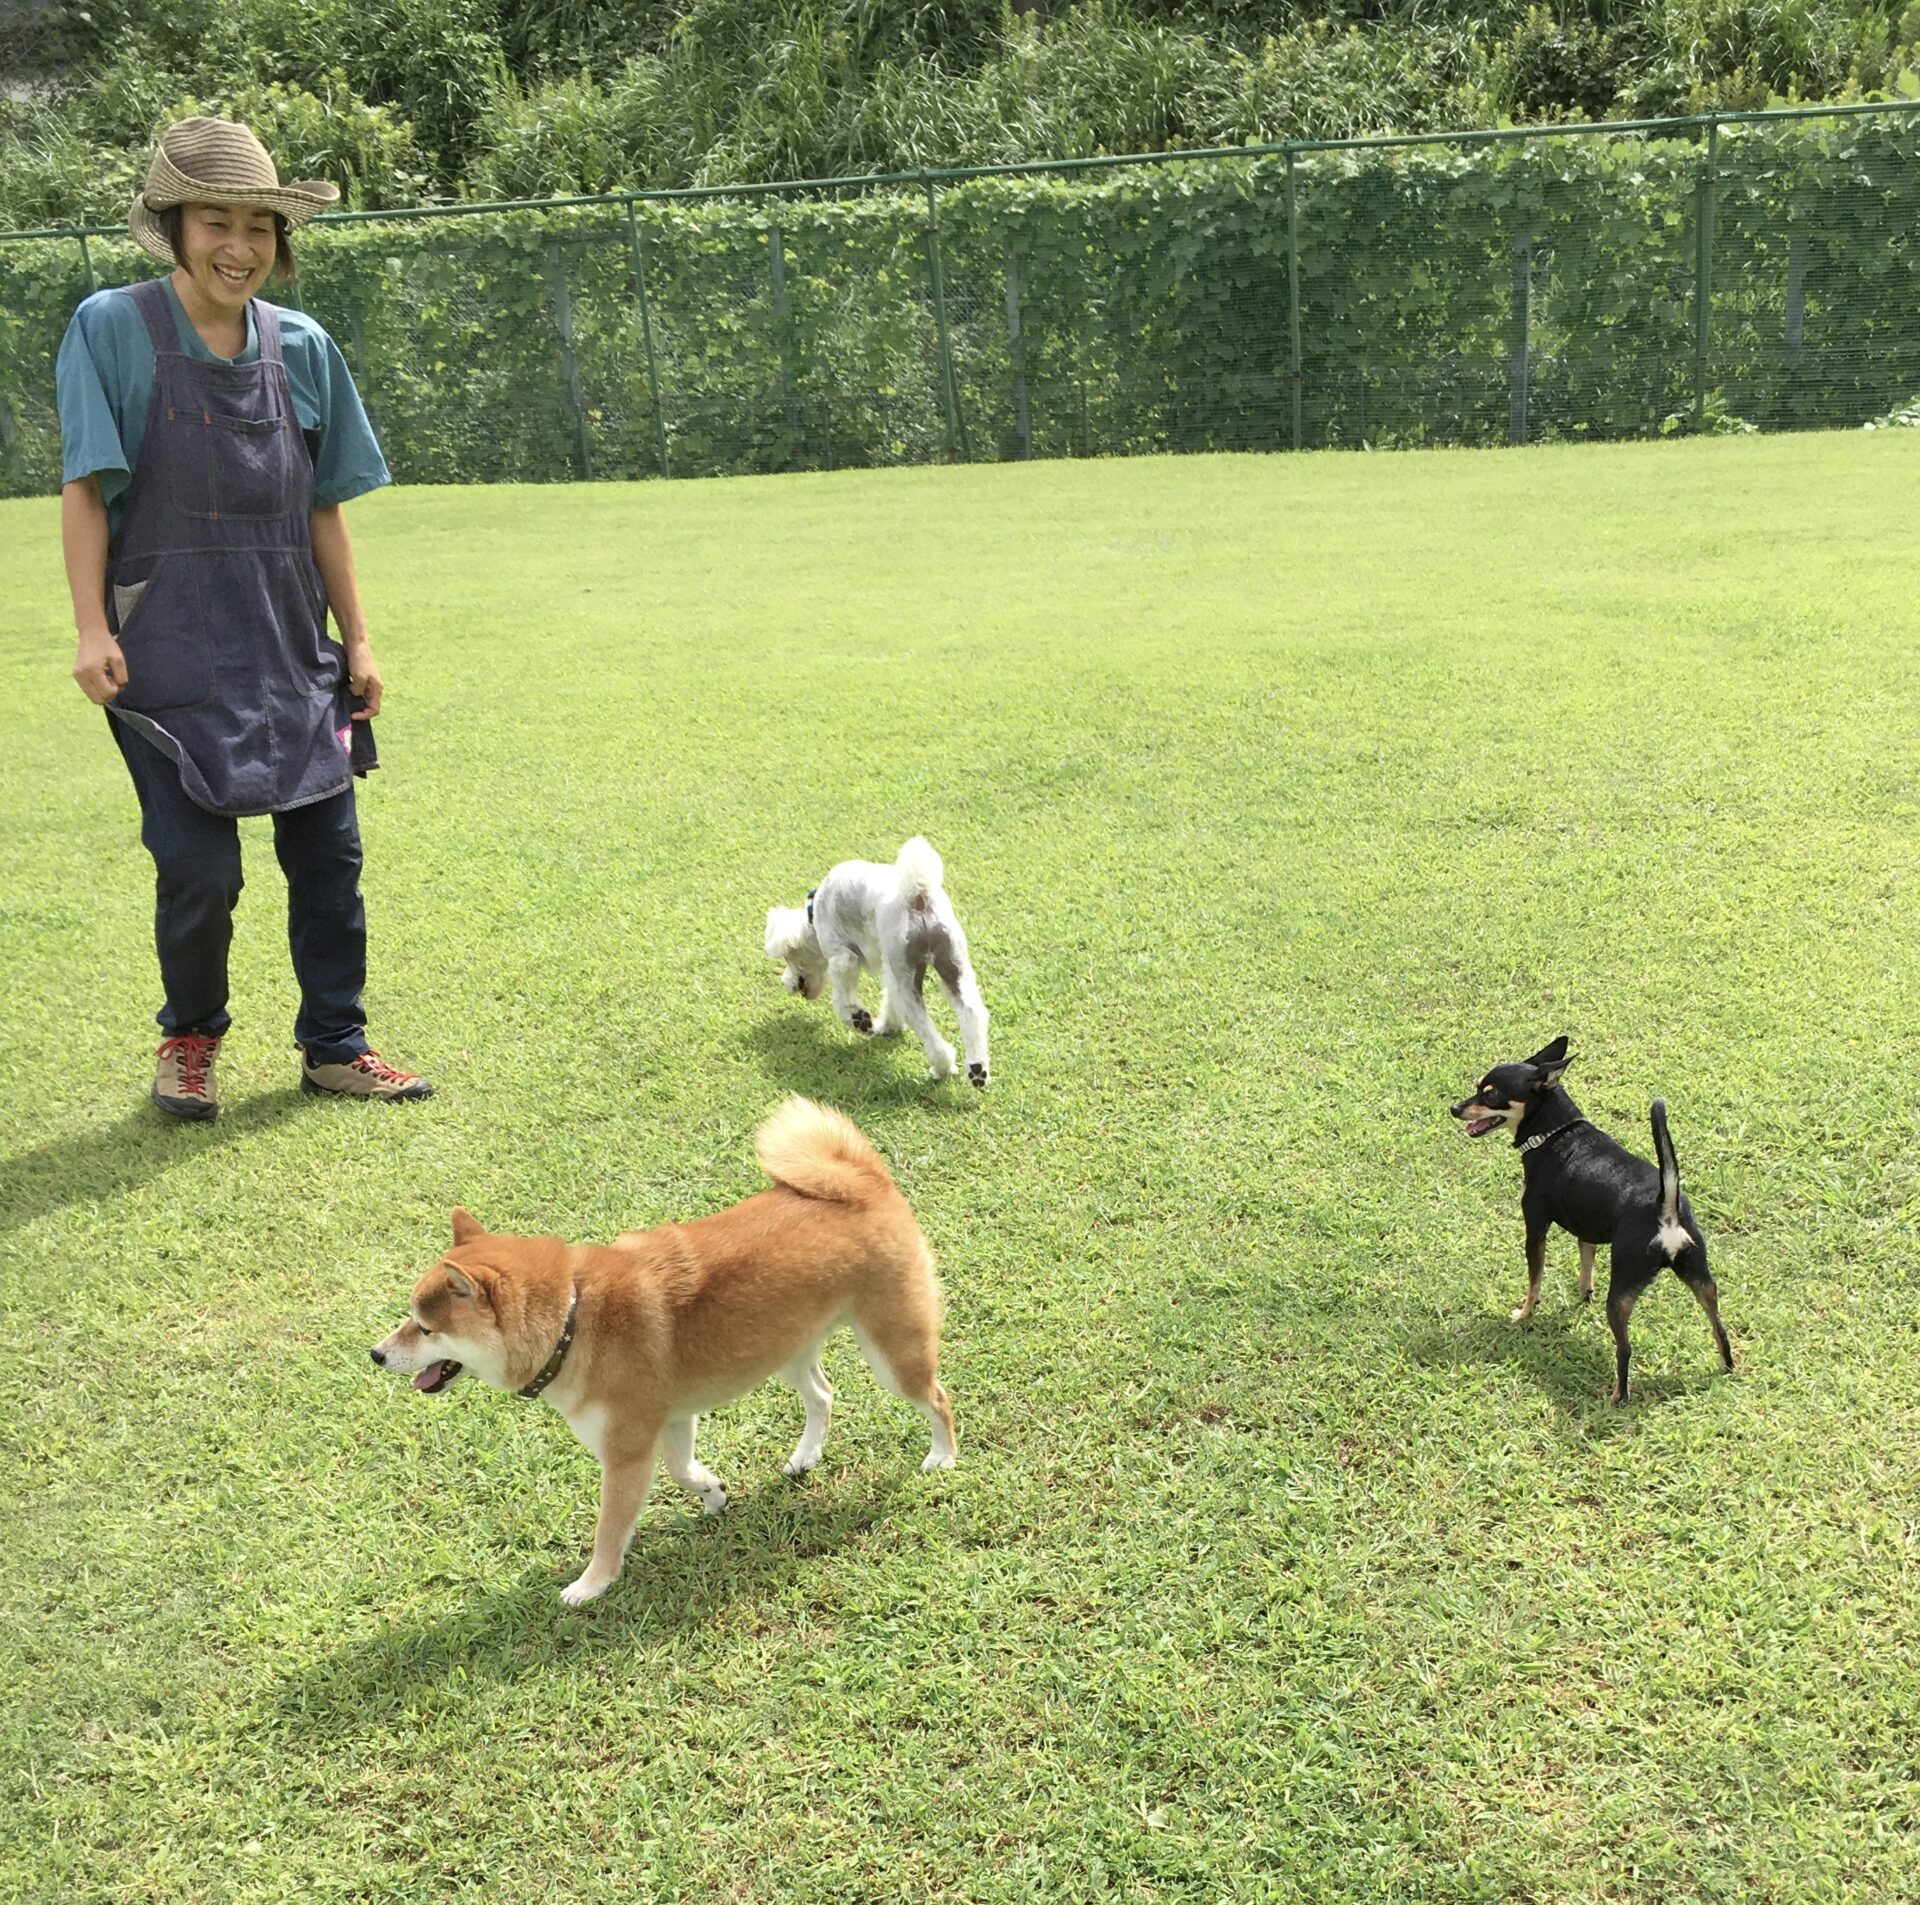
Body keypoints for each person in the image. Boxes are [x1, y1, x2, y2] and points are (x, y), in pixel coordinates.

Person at [57, 115, 432, 1119]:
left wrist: (358, 639)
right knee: (198, 870)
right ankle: (189, 1042)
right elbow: (87, 487)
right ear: (174, 227)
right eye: (215, 222)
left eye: (258, 226)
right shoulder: (110, 327)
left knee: (331, 860)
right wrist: (92, 629)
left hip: (289, 645)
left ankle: (336, 1046)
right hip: (164, 649)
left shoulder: (304, 346)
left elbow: (323, 507)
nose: (239, 246)